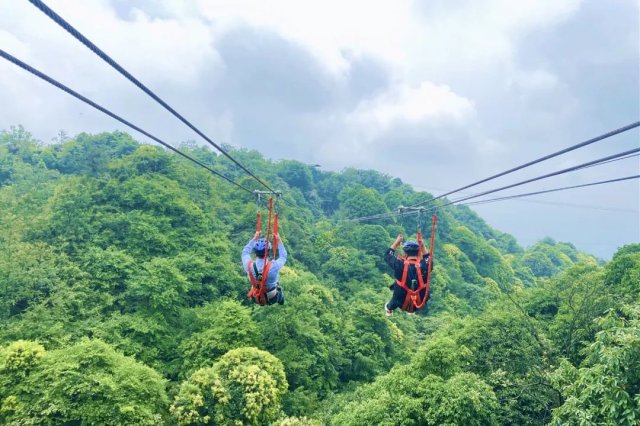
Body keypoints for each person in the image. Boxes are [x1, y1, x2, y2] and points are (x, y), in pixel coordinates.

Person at [383, 233, 430, 316]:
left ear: (405, 253)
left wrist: (396, 243)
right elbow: (427, 258)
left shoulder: (399, 264)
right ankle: (411, 307)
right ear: (418, 252)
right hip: (420, 302)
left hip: (400, 302)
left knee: (396, 293)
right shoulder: (425, 265)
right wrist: (422, 246)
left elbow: (387, 256)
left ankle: (389, 309)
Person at [242, 231, 287, 305]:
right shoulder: (273, 266)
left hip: (256, 297)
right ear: (268, 251)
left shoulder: (249, 266)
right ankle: (280, 299)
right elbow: (283, 256)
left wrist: (254, 238)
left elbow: (245, 253)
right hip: (271, 297)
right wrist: (278, 240)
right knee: (278, 288)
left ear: (255, 252)